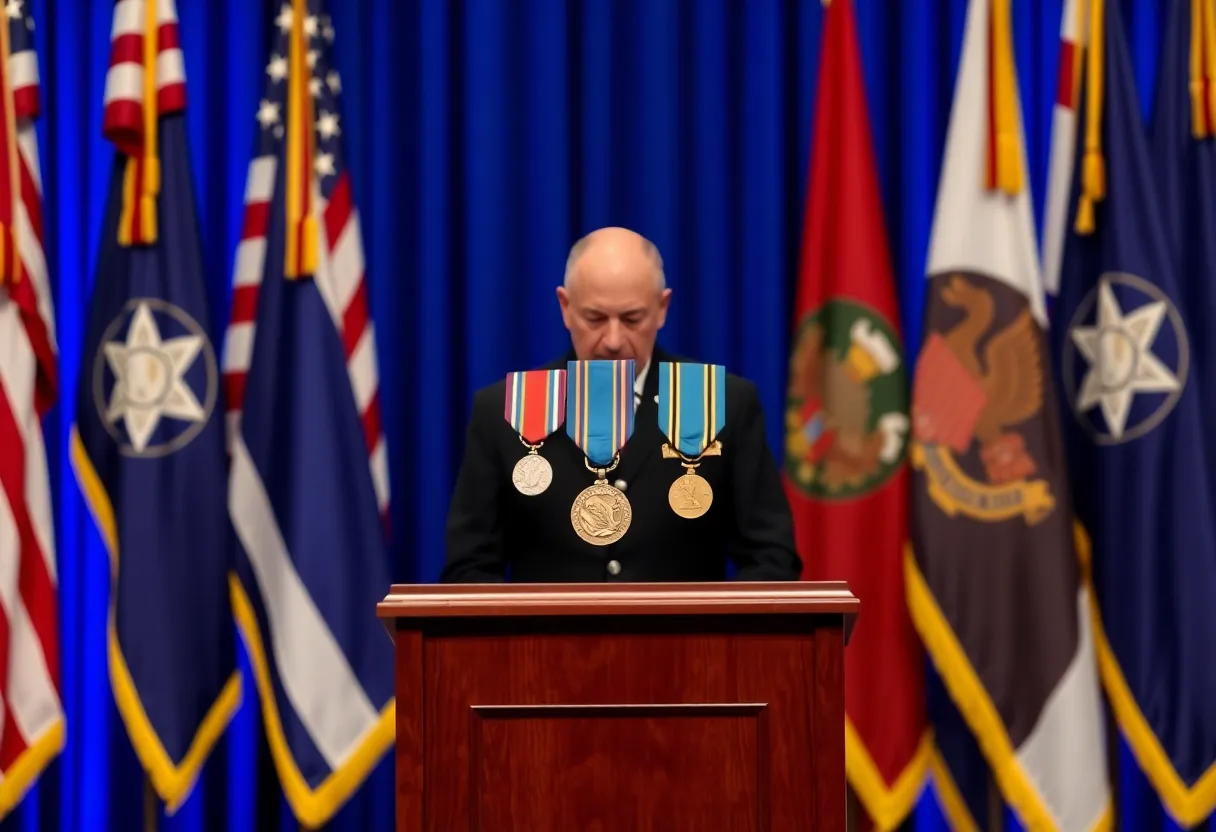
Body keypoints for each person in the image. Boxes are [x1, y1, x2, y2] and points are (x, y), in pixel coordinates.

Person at [441, 226, 802, 583]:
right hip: (546, 642)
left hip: (685, 641)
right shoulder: (508, 409)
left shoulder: (721, 402)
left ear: (662, 308)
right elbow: (468, 569)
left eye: (632, 319)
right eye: (595, 318)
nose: (613, 341)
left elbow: (771, 559)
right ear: (566, 307)